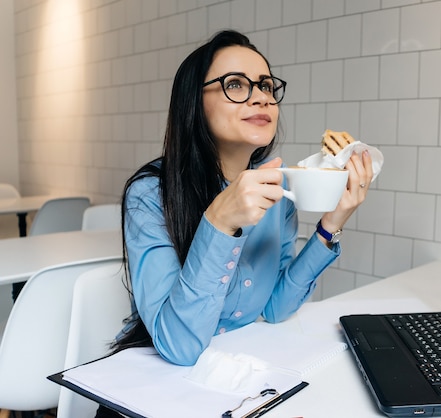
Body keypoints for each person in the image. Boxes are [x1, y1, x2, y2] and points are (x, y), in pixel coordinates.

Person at [95, 29, 372, 417]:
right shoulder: (150, 195)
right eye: (236, 84)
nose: (261, 96)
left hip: (232, 384)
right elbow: (177, 346)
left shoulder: (279, 189)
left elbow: (275, 308)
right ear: (195, 102)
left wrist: (332, 222)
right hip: (152, 396)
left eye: (266, 85)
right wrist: (218, 223)